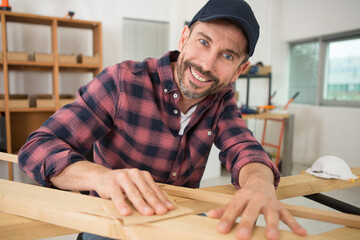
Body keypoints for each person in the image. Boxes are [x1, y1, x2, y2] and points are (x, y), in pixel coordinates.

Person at [18, 0, 307, 239]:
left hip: (176, 217)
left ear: (239, 70)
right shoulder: (121, 82)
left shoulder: (221, 98)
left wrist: (259, 183)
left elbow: (244, 148)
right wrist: (101, 177)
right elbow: (37, 148)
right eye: (203, 42)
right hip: (112, 221)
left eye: (227, 56)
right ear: (184, 38)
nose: (207, 64)